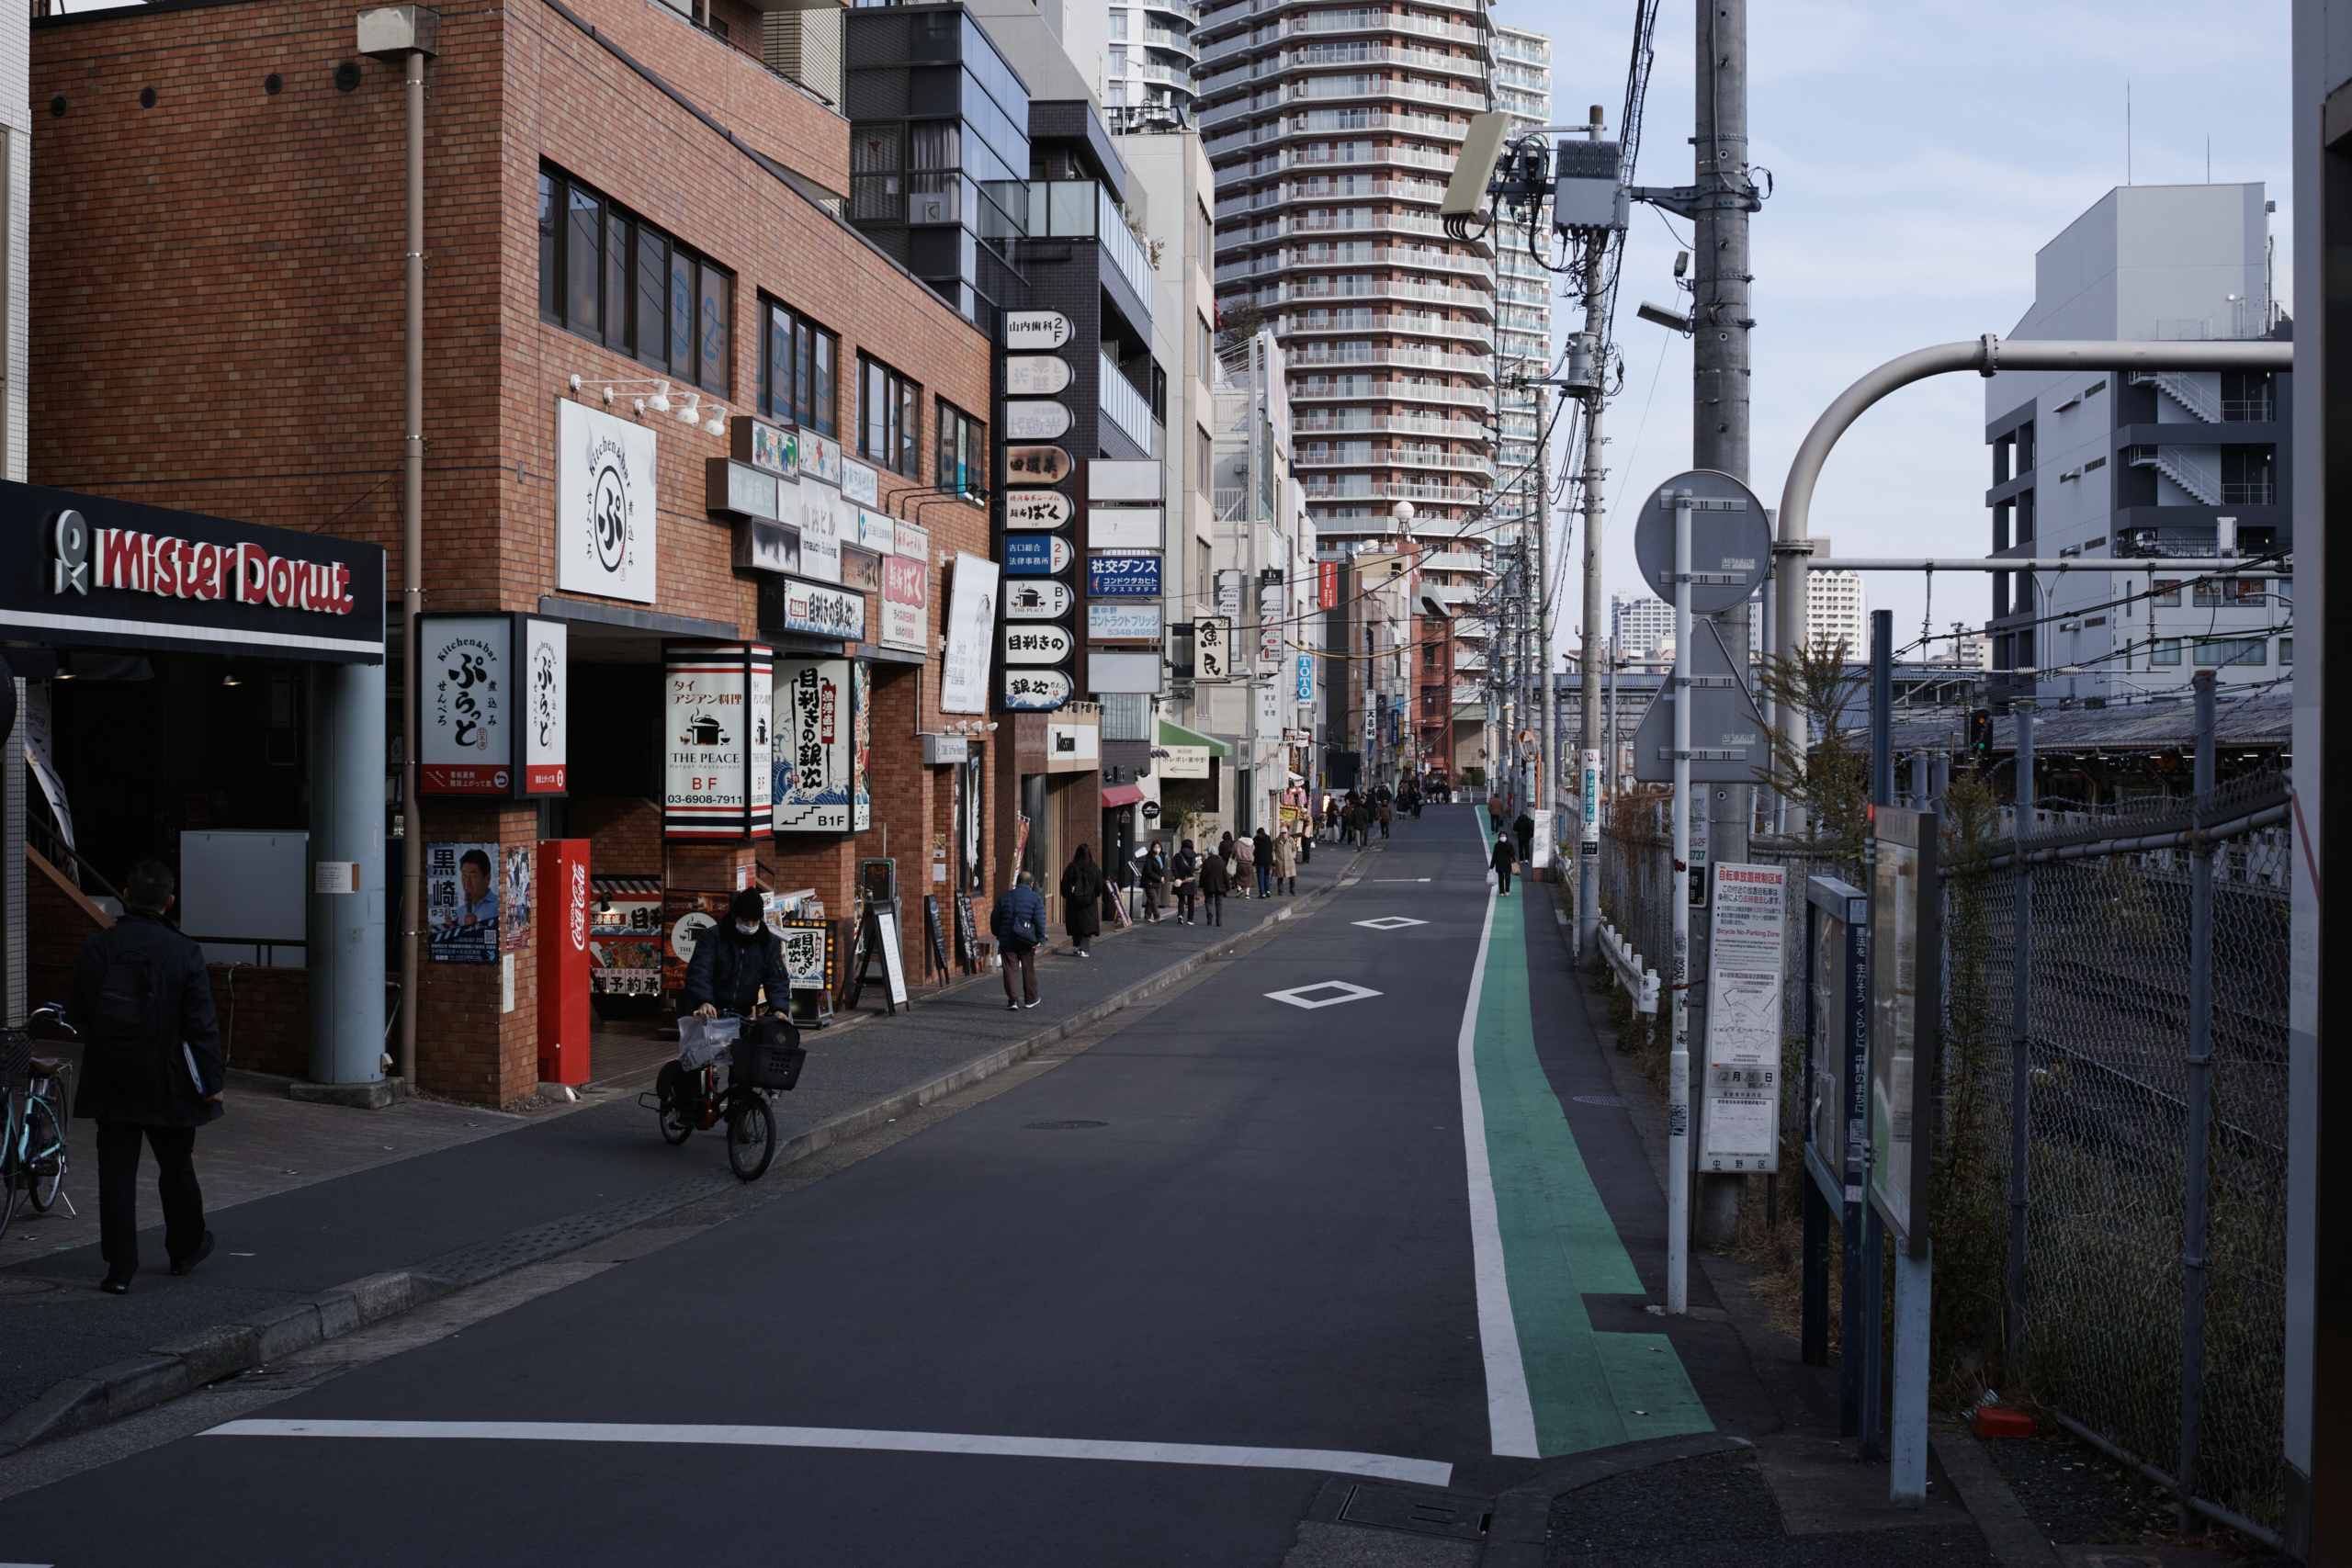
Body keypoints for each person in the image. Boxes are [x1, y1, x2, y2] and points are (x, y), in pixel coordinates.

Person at [70, 859, 223, 1294]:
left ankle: (120, 1270)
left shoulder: (97, 946)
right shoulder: (184, 951)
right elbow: (201, 1025)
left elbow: (78, 1010)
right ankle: (184, 1249)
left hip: (111, 1078)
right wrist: (212, 1083)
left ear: (125, 895)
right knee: (175, 1166)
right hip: (168, 1080)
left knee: (115, 1174)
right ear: (169, 902)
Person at [682, 888, 791, 1020]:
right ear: (734, 916)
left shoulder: (768, 942)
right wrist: (703, 1000)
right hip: (709, 1012)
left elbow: (777, 979)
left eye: (755, 922)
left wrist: (779, 1009)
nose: (749, 926)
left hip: (743, 1014)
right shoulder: (713, 937)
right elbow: (700, 970)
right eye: (744, 921)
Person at [989, 870, 1047, 1008]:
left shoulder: (1005, 897)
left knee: (1010, 969)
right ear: (1031, 884)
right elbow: (1040, 920)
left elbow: (995, 918)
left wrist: (998, 934)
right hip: (1027, 940)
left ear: (1017, 882)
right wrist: (1039, 938)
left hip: (1008, 938)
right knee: (1028, 969)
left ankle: (1013, 1000)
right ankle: (1031, 998)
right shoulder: (1035, 898)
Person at [1059, 844, 1102, 957]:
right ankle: (1083, 948)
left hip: (1074, 900)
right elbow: (1099, 886)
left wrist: (1069, 896)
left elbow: (1064, 885)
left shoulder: (1071, 867)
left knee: (1076, 923)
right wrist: (1093, 895)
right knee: (1087, 925)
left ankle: (1076, 945)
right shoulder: (1093, 867)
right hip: (1089, 902)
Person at [1197, 839, 1231, 926]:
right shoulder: (1222, 862)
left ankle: (1209, 913)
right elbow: (1225, 876)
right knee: (1219, 904)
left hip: (1209, 885)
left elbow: (1203, 874)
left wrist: (1201, 885)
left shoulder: (1206, 862)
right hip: (1220, 886)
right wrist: (1228, 887)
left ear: (1210, 853)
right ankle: (1219, 921)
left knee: (1208, 901)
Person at [1171, 840, 1201, 925]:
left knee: (1181, 900)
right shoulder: (1193, 856)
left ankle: (1180, 915)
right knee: (1191, 900)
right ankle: (1190, 919)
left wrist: (1178, 877)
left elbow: (1173, 868)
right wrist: (1189, 876)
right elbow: (1192, 868)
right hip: (1190, 880)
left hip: (1180, 880)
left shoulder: (1177, 855)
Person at [1138, 843, 1167, 923]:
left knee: (1151, 900)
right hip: (1149, 882)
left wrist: (1163, 877)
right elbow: (1148, 872)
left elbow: (1161, 869)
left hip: (1157, 882)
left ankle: (1147, 916)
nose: (1157, 849)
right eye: (1155, 847)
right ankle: (1158, 916)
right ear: (1152, 848)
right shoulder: (1149, 858)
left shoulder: (1161, 857)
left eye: (1159, 847)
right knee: (1153, 899)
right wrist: (1159, 878)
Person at [1490, 829, 1519, 897]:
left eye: (1504, 835)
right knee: (1501, 878)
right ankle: (1501, 891)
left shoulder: (1509, 845)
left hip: (1508, 863)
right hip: (1499, 863)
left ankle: (1507, 889)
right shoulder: (1497, 845)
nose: (1503, 837)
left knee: (1507, 877)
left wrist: (1510, 851)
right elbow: (1494, 855)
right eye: (1501, 836)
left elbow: (1513, 853)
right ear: (1499, 837)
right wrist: (1492, 865)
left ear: (1506, 837)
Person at [1272, 828, 1297, 896]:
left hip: (1289, 861)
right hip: (1280, 861)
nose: (1284, 834)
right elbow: (1273, 850)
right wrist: (1274, 857)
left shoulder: (1290, 840)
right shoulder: (1276, 841)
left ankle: (1292, 890)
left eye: (1285, 833)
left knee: (1292, 877)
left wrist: (1293, 856)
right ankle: (1280, 891)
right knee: (1280, 876)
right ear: (1280, 833)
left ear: (1287, 833)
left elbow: (1294, 849)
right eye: (1282, 833)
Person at [1231, 829, 1256, 897]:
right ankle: (1247, 894)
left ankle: (1239, 889)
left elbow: (1233, 851)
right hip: (1249, 863)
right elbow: (1253, 850)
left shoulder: (1238, 843)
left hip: (1240, 862)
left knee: (1237, 876)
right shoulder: (1252, 843)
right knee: (1249, 878)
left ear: (1242, 836)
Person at [1251, 828, 1274, 897]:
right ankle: (1268, 891)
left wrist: (1253, 862)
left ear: (1258, 833)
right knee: (1267, 876)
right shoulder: (1268, 839)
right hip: (1268, 861)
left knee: (1260, 878)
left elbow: (1255, 851)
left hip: (1260, 861)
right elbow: (1271, 849)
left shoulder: (1256, 840)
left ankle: (1262, 893)